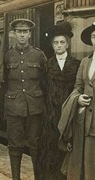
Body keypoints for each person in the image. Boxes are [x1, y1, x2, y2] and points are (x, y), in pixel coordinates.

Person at [4, 18, 47, 180]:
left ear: (30, 34)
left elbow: (45, 81)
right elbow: (3, 82)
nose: (22, 35)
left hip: (35, 107)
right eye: (19, 32)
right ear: (14, 34)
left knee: (35, 145)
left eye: (25, 32)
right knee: (15, 146)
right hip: (14, 107)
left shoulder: (38, 55)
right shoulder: (7, 55)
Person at [37, 21, 80, 180]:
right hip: (50, 116)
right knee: (50, 149)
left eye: (62, 42)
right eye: (56, 43)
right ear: (52, 45)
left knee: (68, 148)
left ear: (67, 44)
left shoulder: (76, 65)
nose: (59, 45)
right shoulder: (47, 65)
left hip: (70, 115)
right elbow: (42, 87)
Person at [58, 22, 95, 180]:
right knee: (85, 164)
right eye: (94, 36)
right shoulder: (86, 61)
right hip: (84, 121)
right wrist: (78, 98)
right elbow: (78, 86)